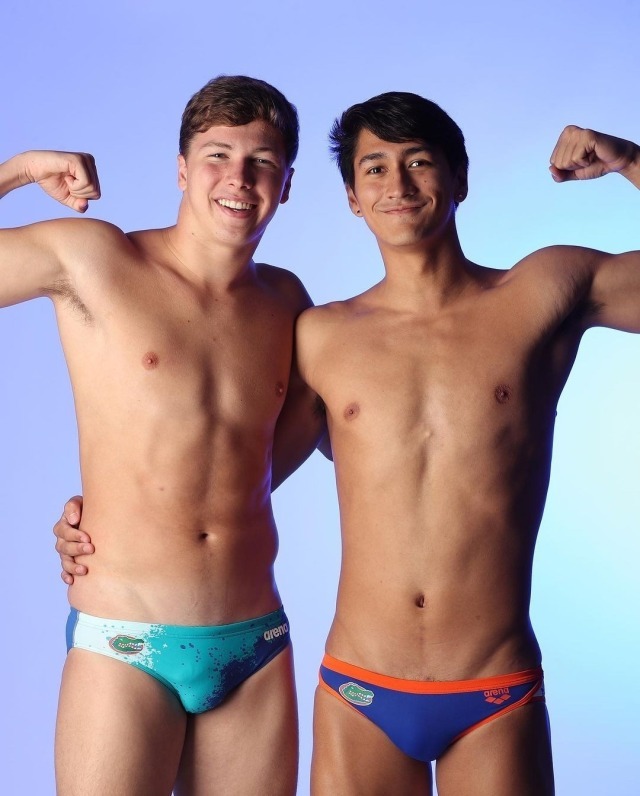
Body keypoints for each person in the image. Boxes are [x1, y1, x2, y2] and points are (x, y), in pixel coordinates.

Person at [55, 92, 640, 795]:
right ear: (353, 199)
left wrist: (629, 160)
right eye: (375, 168)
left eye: (419, 163)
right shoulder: (323, 336)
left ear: (460, 178)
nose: (398, 185)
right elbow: (226, 479)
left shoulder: (544, 291)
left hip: (495, 684)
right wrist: (104, 525)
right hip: (359, 691)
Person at [2, 75, 325, 796]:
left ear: (286, 185)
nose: (238, 178)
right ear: (181, 170)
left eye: (262, 161)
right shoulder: (95, 260)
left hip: (255, 641)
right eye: (217, 156)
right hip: (126, 639)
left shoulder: (287, 301)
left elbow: (306, 435)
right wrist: (20, 169)